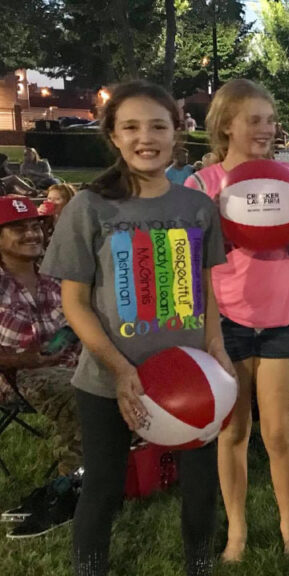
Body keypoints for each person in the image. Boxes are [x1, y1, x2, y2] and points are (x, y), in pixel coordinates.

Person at [41, 80, 232, 576]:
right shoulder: (89, 207)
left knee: (201, 487)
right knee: (104, 487)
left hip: (190, 380)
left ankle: (199, 565)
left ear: (177, 134)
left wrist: (216, 348)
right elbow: (76, 305)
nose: (145, 137)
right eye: (130, 127)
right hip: (108, 381)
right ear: (113, 136)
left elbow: (209, 290)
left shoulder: (197, 207)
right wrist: (120, 369)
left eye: (157, 126)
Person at [185, 78, 289, 562]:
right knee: (234, 431)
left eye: (270, 119)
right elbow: (191, 261)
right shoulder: (202, 185)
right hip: (226, 324)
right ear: (226, 124)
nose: (267, 129)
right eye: (255, 120)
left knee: (279, 432)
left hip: (282, 317)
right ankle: (237, 533)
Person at [0, 195, 82, 540]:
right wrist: (20, 360)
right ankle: (70, 490)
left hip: (73, 364)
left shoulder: (54, 277)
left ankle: (95, 477)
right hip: (16, 376)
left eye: (35, 226)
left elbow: (77, 328)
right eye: (18, 228)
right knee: (83, 395)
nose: (32, 234)